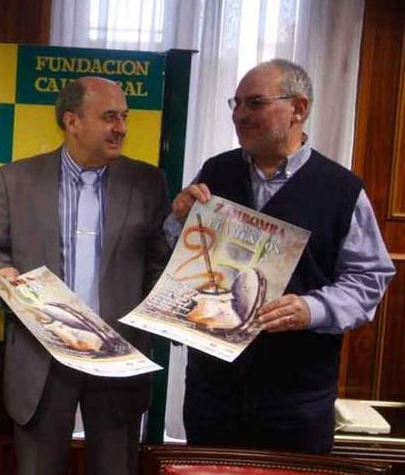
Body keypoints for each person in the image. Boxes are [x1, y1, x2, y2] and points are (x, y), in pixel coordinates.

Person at [168, 59, 396, 454]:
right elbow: (179, 256)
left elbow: (369, 278)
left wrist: (313, 309)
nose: (240, 115)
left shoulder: (341, 189)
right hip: (212, 393)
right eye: (235, 103)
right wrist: (177, 222)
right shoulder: (216, 171)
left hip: (295, 401)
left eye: (254, 103)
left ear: (299, 108)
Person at [0, 76, 171, 475]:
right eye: (108, 117)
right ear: (72, 121)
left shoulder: (148, 182)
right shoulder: (16, 179)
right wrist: (4, 277)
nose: (121, 127)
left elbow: (159, 264)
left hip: (118, 360)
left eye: (124, 117)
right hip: (42, 358)